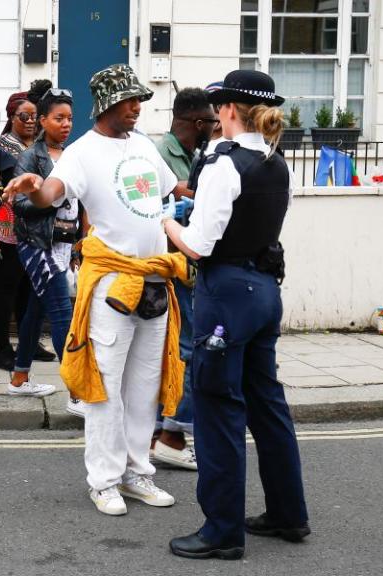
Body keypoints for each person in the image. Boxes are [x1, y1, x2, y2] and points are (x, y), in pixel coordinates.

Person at [5, 64, 193, 517]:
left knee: (143, 386)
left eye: (138, 100)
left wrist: (229, 178)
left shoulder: (145, 145)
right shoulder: (81, 153)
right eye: (130, 100)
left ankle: (136, 472)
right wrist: (35, 187)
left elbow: (173, 191)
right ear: (108, 102)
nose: (137, 107)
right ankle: (104, 480)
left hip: (154, 279)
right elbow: (51, 192)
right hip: (111, 282)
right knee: (105, 387)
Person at [165, 70, 309, 560]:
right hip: (266, 291)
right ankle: (289, 514)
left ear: (228, 110)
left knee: (217, 406)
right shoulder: (276, 162)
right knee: (266, 403)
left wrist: (166, 222)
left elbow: (200, 246)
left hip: (226, 294)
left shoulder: (223, 165)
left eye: (218, 108)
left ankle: (222, 530)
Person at [150, 87, 216, 470]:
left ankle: (160, 432)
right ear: (196, 122)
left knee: (178, 349)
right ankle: (173, 436)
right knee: (188, 348)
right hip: (173, 266)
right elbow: (158, 209)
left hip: (185, 265)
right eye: (210, 121)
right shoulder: (162, 155)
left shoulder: (191, 154)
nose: (213, 126)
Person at [7, 86, 82, 403]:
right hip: (38, 244)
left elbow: (83, 202)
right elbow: (19, 205)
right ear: (42, 120)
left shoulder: (74, 154)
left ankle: (20, 377)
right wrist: (51, 198)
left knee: (36, 312)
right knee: (63, 315)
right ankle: (78, 393)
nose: (65, 124)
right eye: (58, 118)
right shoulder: (30, 156)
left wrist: (81, 240)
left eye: (69, 118)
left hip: (65, 244)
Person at [0, 87, 55, 371]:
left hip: (37, 231)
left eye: (36, 116)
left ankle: (28, 343)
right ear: (12, 116)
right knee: (5, 288)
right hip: (6, 231)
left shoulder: (41, 148)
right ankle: (1, 350)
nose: (31, 121)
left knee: (30, 288)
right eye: (25, 115)